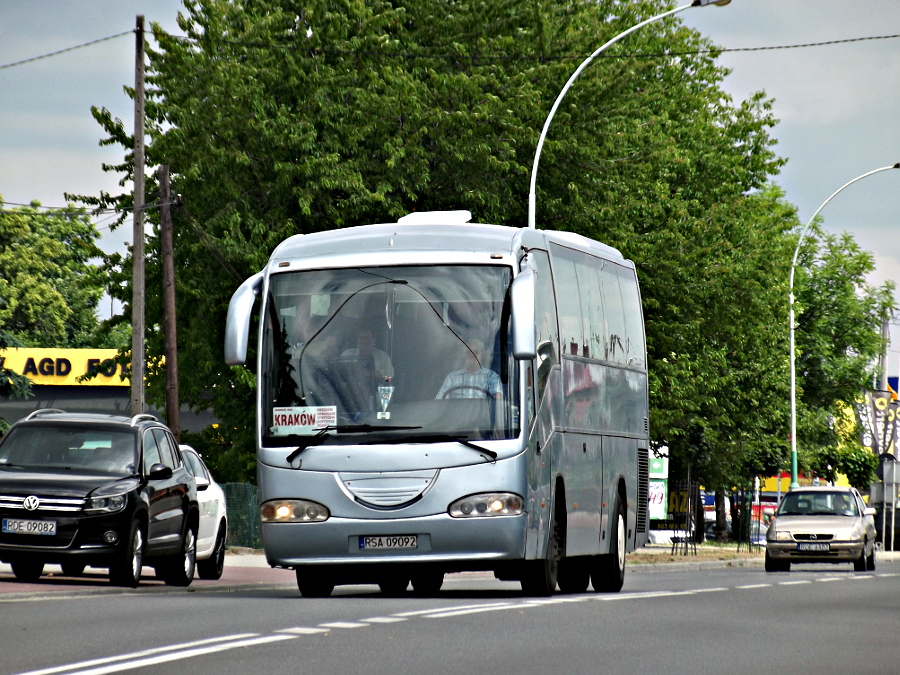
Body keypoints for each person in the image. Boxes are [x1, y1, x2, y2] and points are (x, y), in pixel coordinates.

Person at [436, 338, 502, 399]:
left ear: (483, 355)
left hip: (482, 412)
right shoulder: (452, 378)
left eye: (476, 352)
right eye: (468, 353)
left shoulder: (491, 377)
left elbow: (498, 403)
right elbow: (439, 403)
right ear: (463, 355)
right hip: (457, 412)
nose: (472, 355)